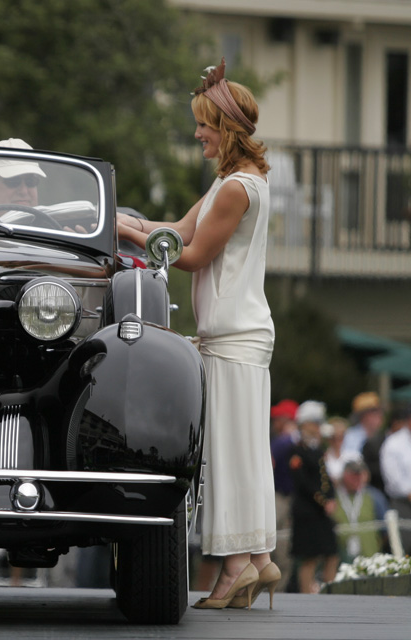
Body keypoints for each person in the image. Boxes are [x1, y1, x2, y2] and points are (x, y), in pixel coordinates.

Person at [117, 58, 276, 609]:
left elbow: (191, 254)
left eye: (204, 124)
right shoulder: (234, 182)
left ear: (226, 127)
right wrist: (118, 223)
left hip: (232, 332)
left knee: (224, 453)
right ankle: (259, 560)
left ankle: (235, 569)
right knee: (245, 448)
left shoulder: (235, 189)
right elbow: (174, 231)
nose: (197, 134)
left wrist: (119, 228)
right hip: (242, 329)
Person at [288, 400, 339, 593]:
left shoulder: (317, 449)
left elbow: (325, 478)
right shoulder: (297, 451)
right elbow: (304, 483)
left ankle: (329, 590)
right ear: (305, 424)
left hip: (320, 511)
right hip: (307, 511)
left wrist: (331, 498)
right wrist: (323, 501)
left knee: (331, 553)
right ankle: (305, 593)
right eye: (315, 424)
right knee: (309, 558)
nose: (318, 428)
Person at [268, 399, 299, 592]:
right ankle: (277, 589)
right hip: (288, 498)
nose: (274, 421)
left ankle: (273, 588)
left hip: (279, 496)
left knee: (274, 544)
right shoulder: (294, 439)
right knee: (282, 547)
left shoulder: (282, 441)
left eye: (278, 418)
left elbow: (269, 463)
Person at [332, 460, 386, 563]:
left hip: (370, 559)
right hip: (340, 558)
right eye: (352, 475)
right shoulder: (334, 497)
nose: (356, 479)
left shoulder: (374, 496)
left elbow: (385, 530)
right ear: (344, 475)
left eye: (359, 475)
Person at [380, 404, 411, 553]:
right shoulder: (393, 443)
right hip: (403, 502)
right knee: (403, 546)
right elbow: (392, 476)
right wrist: (408, 492)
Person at [341, 391, 384, 459]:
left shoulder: (384, 437)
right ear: (363, 416)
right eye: (375, 412)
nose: (380, 416)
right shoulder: (351, 437)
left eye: (380, 411)